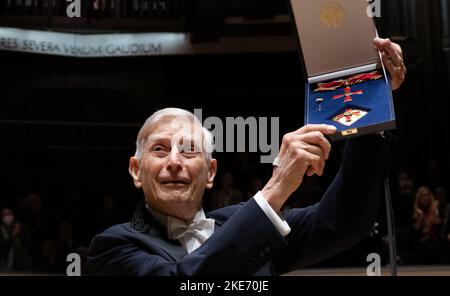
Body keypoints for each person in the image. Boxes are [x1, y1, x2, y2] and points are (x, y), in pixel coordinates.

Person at [87, 38, 406, 275]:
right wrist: (275, 190)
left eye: (188, 150)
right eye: (160, 149)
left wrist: (372, 103)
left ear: (211, 172)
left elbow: (343, 221)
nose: (174, 161)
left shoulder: (241, 223)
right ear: (135, 169)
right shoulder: (112, 247)